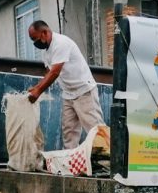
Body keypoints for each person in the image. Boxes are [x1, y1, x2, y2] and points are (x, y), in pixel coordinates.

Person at [27, 20, 104, 149]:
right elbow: (49, 73)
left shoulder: (60, 43)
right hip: (68, 94)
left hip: (84, 91)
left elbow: (55, 72)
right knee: (69, 133)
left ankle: (107, 163)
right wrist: (36, 87)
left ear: (44, 33)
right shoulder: (46, 52)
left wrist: (38, 91)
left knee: (95, 129)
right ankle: (70, 163)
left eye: (35, 39)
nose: (35, 43)